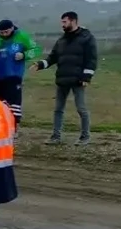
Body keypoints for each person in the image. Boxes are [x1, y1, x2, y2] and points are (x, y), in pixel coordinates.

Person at [30, 11, 98, 145]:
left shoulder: (87, 38)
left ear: (73, 21)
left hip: (78, 80)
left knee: (81, 109)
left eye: (64, 22)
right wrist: (40, 65)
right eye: (62, 22)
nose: (62, 24)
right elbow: (52, 58)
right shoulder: (61, 40)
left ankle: (85, 136)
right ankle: (56, 136)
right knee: (58, 109)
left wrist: (86, 77)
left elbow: (92, 60)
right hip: (62, 80)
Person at [0, 19, 41, 132]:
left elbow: (36, 49)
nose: (3, 35)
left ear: (12, 28)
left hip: (14, 74)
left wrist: (24, 55)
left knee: (13, 102)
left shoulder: (22, 36)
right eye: (1, 33)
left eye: (6, 32)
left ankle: (13, 127)